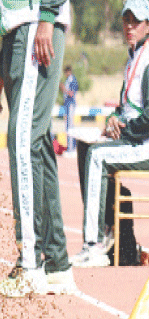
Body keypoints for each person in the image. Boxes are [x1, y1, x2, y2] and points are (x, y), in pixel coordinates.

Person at [0, 0, 77, 297]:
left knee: (23, 141)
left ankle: (29, 265)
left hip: (36, 24)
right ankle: (56, 264)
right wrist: (1, 65)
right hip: (23, 31)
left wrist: (47, 17)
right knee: (36, 143)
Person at [72, 0, 149, 268]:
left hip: (143, 144)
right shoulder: (133, 58)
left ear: (147, 25)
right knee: (85, 147)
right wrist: (114, 119)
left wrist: (125, 128)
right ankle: (116, 234)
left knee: (96, 156)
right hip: (130, 137)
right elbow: (124, 105)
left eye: (136, 21)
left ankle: (93, 245)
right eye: (126, 20)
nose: (129, 26)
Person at [60, 65, 79, 156]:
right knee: (67, 125)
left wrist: (64, 89)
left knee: (70, 126)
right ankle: (70, 147)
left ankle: (71, 148)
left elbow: (71, 93)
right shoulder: (68, 80)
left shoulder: (73, 80)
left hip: (71, 104)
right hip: (67, 105)